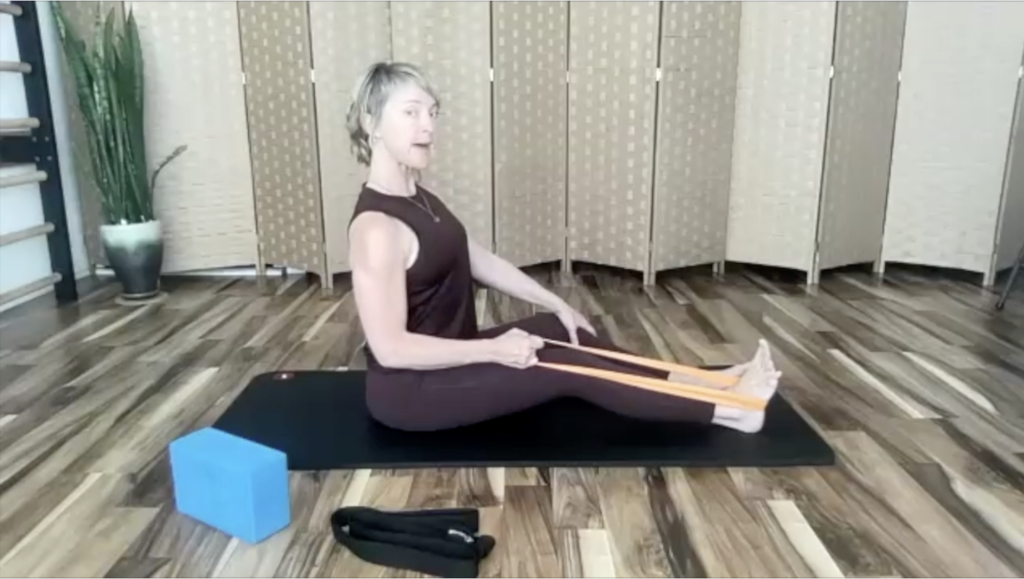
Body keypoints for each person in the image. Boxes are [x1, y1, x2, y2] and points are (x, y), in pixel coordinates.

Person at [345, 62, 781, 433]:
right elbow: (390, 349)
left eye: (432, 112)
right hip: (413, 392)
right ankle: (735, 412)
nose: (428, 125)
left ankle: (705, 384)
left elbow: (479, 260)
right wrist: (493, 350)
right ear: (371, 123)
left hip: (451, 361)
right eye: (411, 112)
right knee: (562, 370)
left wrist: (556, 303)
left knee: (563, 331)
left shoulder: (420, 197)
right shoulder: (376, 227)